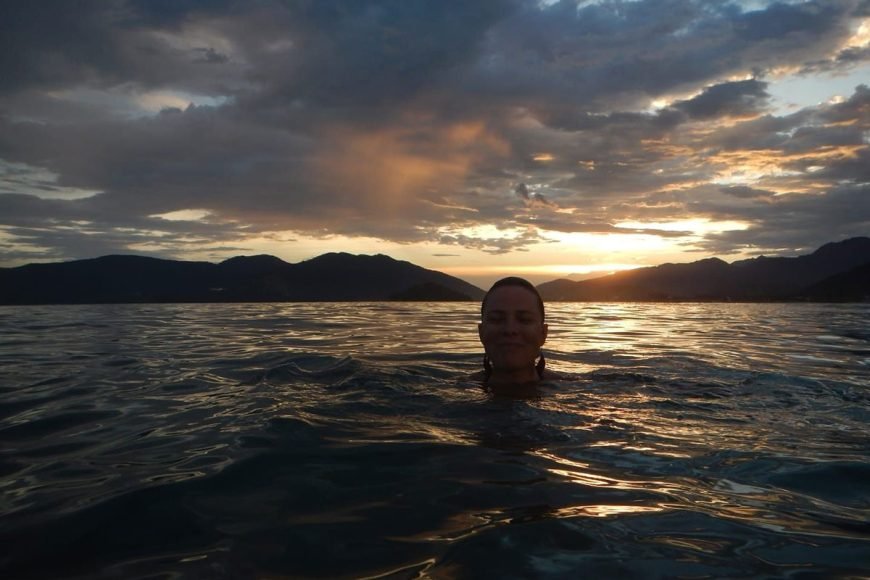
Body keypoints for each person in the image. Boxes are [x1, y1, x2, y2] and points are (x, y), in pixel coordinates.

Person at [473, 276, 554, 393]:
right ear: (481, 332)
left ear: (543, 333)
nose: (510, 329)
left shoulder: (573, 388)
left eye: (525, 320)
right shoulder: (456, 391)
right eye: (496, 319)